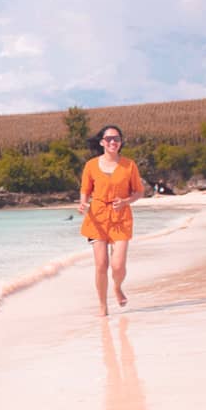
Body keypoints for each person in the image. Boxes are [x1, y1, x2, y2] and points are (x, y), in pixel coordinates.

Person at [78, 125, 146, 316]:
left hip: (121, 217)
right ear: (102, 143)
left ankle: (117, 287)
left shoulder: (129, 165)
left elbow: (139, 191)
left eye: (116, 138)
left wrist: (126, 201)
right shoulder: (91, 165)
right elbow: (85, 189)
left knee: (118, 266)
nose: (113, 142)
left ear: (121, 141)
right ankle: (102, 305)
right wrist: (83, 203)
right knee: (101, 264)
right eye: (108, 139)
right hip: (97, 217)